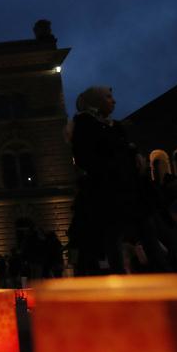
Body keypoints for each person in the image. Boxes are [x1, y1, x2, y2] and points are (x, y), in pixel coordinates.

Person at [69, 86, 139, 275]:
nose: (113, 100)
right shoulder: (85, 123)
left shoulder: (111, 125)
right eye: (108, 97)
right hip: (107, 191)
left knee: (118, 235)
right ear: (96, 101)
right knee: (112, 236)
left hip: (120, 188)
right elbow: (86, 157)